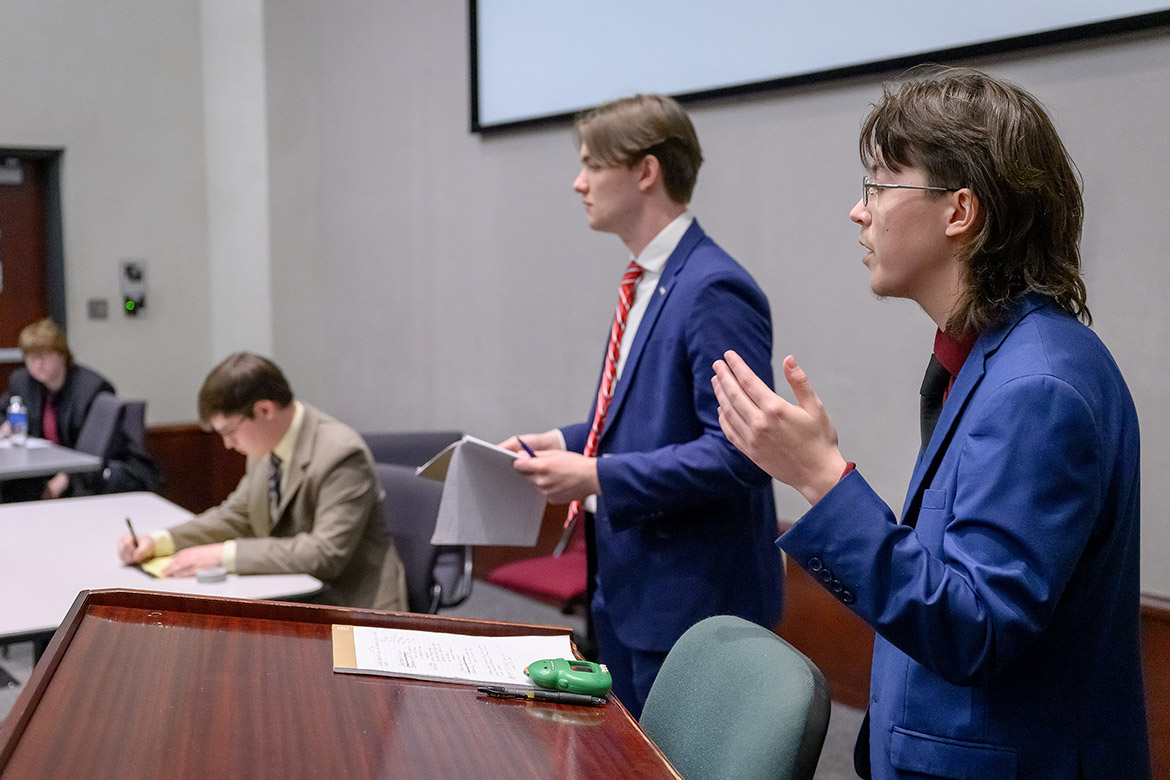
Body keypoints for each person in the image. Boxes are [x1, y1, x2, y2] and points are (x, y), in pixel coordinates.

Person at [712, 66, 1149, 780]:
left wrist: (822, 480)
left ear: (960, 212)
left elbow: (975, 628)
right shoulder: (989, 357)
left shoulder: (1038, 387)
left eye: (881, 185)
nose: (861, 212)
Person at [504, 94, 783, 718]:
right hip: (630, 590)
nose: (578, 183)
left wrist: (596, 474)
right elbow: (644, 419)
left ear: (645, 171)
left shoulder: (713, 287)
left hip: (694, 603)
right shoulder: (648, 279)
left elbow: (741, 454)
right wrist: (564, 440)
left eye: (590, 165)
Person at [117, 352, 407, 612]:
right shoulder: (265, 443)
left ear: (265, 411)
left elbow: (325, 554)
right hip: (296, 591)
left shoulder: (340, 453)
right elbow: (237, 515)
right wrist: (160, 541)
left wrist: (224, 555)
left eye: (230, 432)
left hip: (352, 604)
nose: (228, 444)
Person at [1, 318, 162, 501]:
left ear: (62, 354)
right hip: (42, 469)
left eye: (44, 355)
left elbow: (95, 449)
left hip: (86, 473)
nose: (37, 364)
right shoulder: (22, 382)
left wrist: (64, 478)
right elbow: (3, 411)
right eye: (31, 358)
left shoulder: (91, 388)